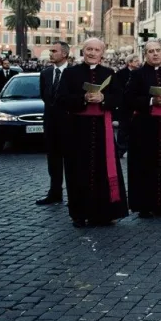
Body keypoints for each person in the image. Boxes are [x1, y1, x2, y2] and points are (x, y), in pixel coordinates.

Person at [57, 38, 128, 227]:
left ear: (102, 53)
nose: (92, 52)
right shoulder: (70, 73)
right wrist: (84, 98)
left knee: (103, 171)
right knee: (77, 171)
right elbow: (61, 99)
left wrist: (104, 98)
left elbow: (119, 98)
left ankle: (104, 213)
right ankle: (79, 214)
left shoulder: (109, 73)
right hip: (77, 130)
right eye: (89, 49)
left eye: (96, 49)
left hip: (102, 130)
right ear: (83, 50)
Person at [124, 40, 161, 217]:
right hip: (144, 127)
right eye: (150, 51)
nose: (155, 54)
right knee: (144, 165)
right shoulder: (137, 74)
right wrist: (151, 101)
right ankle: (145, 205)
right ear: (145, 55)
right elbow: (128, 98)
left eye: (158, 50)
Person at [35, 42, 70, 205]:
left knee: (72, 162)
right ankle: (54, 193)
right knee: (53, 161)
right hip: (51, 123)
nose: (51, 54)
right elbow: (45, 96)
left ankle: (75, 196)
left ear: (64, 54)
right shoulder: (46, 73)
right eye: (50, 51)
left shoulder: (74, 73)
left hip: (70, 124)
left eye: (54, 51)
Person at [114, 54, 141, 158]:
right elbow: (118, 88)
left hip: (136, 104)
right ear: (129, 62)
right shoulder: (121, 73)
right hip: (124, 105)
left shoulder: (139, 73)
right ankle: (121, 149)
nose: (138, 62)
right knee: (123, 128)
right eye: (136, 61)